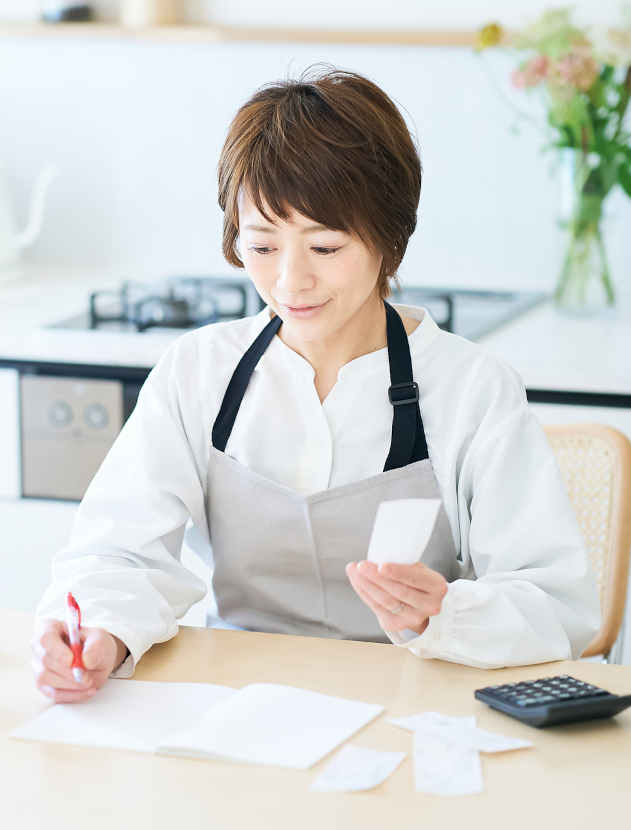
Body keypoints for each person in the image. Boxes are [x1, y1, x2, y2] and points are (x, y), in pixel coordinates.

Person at [30, 66, 600, 703]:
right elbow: (118, 553)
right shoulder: (198, 372)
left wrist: (446, 614)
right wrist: (97, 632)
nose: (290, 283)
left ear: (389, 238)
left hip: (419, 708)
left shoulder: (472, 388)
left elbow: (555, 604)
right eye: (263, 247)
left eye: (325, 248)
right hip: (239, 706)